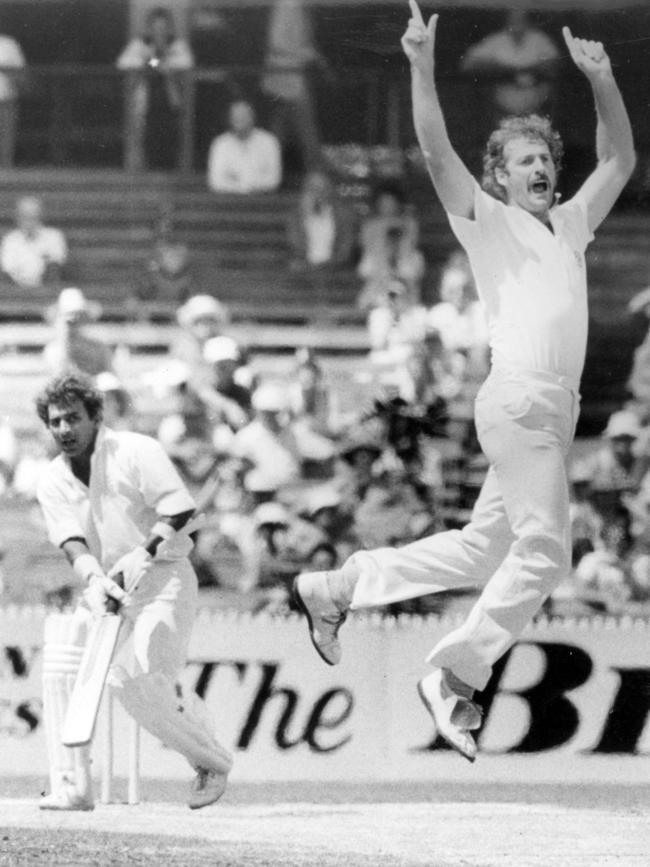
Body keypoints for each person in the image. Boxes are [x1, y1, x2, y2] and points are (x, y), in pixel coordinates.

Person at [294, 1, 635, 763]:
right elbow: (434, 147)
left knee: (487, 552)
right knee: (547, 552)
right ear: (500, 177)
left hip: (550, 413)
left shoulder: (571, 224)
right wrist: (420, 66)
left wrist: (602, 81)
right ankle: (456, 672)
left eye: (546, 159)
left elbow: (619, 163)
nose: (542, 168)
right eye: (525, 161)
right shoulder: (483, 218)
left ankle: (339, 586)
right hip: (518, 400)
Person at [35, 374, 232, 810]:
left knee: (139, 683)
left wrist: (144, 552)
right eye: (55, 422)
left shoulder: (135, 450)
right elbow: (71, 541)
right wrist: (93, 579)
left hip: (164, 576)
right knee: (63, 660)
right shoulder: (52, 479)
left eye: (73, 418)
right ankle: (72, 784)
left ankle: (211, 760)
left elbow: (179, 507)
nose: (64, 429)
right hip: (109, 587)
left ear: (95, 416)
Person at [117, 6, 194, 171]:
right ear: (150, 28)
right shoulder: (140, 44)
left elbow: (186, 62)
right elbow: (123, 62)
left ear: (169, 27)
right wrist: (154, 61)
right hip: (146, 103)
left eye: (163, 27)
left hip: (171, 103)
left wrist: (154, 61)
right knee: (145, 142)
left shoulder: (178, 45)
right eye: (156, 27)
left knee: (171, 142)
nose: (160, 30)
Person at [461, 10, 560, 123]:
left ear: (528, 21)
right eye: (513, 20)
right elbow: (467, 64)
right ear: (506, 21)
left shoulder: (539, 39)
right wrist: (502, 69)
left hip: (537, 110)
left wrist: (530, 69)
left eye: (522, 20)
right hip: (501, 110)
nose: (517, 23)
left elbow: (556, 63)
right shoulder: (496, 40)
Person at [262, 0, 325, 173]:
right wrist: (310, 54)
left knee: (281, 127)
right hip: (287, 75)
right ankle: (316, 173)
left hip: (292, 75)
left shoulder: (301, 6)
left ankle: (267, 171)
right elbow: (277, 42)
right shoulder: (289, 4)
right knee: (306, 128)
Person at [357, 182, 425, 309]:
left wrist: (395, 258)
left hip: (404, 256)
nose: (387, 206)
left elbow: (411, 243)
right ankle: (372, 299)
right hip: (377, 258)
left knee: (408, 268)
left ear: (397, 203)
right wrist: (384, 257)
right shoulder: (370, 225)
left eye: (390, 202)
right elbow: (367, 246)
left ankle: (410, 301)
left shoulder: (409, 222)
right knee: (375, 267)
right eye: (384, 202)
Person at [287, 170, 356, 272]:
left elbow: (346, 245)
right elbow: (294, 243)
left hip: (335, 268)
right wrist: (305, 216)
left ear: (329, 189)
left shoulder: (342, 214)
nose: (318, 193)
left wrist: (332, 263)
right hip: (305, 269)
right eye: (313, 188)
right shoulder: (297, 216)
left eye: (322, 188)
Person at [207, 100, 282, 194]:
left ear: (252, 118)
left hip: (262, 202)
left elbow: (273, 180)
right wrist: (244, 187)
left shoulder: (269, 142)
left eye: (244, 116)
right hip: (229, 203)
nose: (240, 119)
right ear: (230, 119)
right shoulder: (220, 144)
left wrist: (238, 182)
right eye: (236, 116)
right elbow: (216, 182)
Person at [42, 288, 114, 379]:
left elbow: (111, 379)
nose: (74, 320)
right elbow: (60, 378)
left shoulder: (99, 348)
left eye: (78, 316)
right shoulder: (53, 350)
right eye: (69, 318)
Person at [0, 195, 67, 290]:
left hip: (46, 291)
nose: (28, 221)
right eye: (24, 216)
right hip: (16, 292)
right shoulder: (9, 240)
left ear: (40, 216)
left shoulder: (54, 237)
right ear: (17, 218)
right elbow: (6, 271)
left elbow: (55, 266)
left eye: (33, 216)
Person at [0, 29, 26, 167]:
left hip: (6, 99)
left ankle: (5, 170)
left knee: (6, 138)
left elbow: (20, 72)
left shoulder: (9, 44)